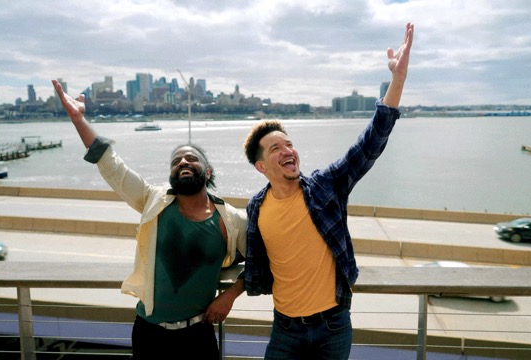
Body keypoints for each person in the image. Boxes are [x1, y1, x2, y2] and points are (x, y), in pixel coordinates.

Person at [242, 23, 414, 359]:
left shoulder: (325, 185)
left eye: (289, 143)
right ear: (261, 166)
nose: (287, 150)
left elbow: (370, 143)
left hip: (333, 326)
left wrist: (399, 79)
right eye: (275, 148)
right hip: (285, 329)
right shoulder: (256, 209)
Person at [52, 79, 247, 360]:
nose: (182, 162)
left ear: (208, 171)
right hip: (148, 332)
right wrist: (79, 120)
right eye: (176, 161)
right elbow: (112, 166)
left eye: (191, 158)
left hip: (198, 334)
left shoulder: (231, 220)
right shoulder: (153, 200)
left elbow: (261, 263)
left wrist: (230, 295)